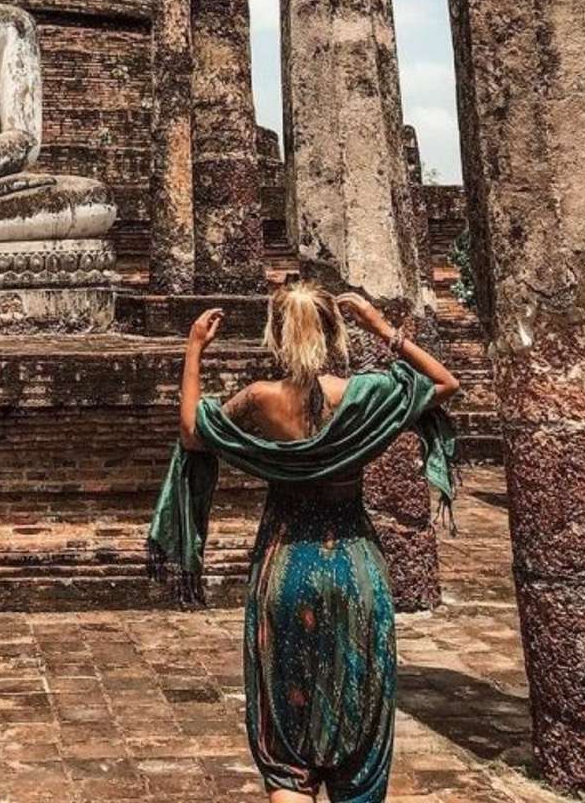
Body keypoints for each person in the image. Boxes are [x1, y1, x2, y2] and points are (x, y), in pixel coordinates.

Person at [147, 283, 459, 803]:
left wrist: (194, 348)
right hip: (355, 571)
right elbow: (443, 384)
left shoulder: (261, 399)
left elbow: (190, 432)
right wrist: (382, 328)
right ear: (335, 334)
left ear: (275, 337)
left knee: (285, 751)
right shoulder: (364, 396)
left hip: (285, 570)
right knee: (359, 732)